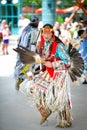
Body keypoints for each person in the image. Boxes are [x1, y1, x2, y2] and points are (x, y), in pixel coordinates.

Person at [19, 24, 73, 127]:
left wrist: (53, 64)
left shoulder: (59, 46)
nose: (46, 35)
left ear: (52, 33)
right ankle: (45, 111)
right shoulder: (44, 45)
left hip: (59, 74)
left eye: (48, 33)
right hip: (47, 72)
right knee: (33, 88)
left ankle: (64, 120)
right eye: (44, 32)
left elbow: (68, 61)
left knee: (60, 98)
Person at [14, 16, 40, 90]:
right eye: (36, 22)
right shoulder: (34, 30)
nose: (37, 23)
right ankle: (31, 83)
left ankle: (24, 80)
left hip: (25, 50)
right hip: (29, 51)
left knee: (28, 67)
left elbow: (20, 40)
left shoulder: (26, 29)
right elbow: (28, 42)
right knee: (31, 67)